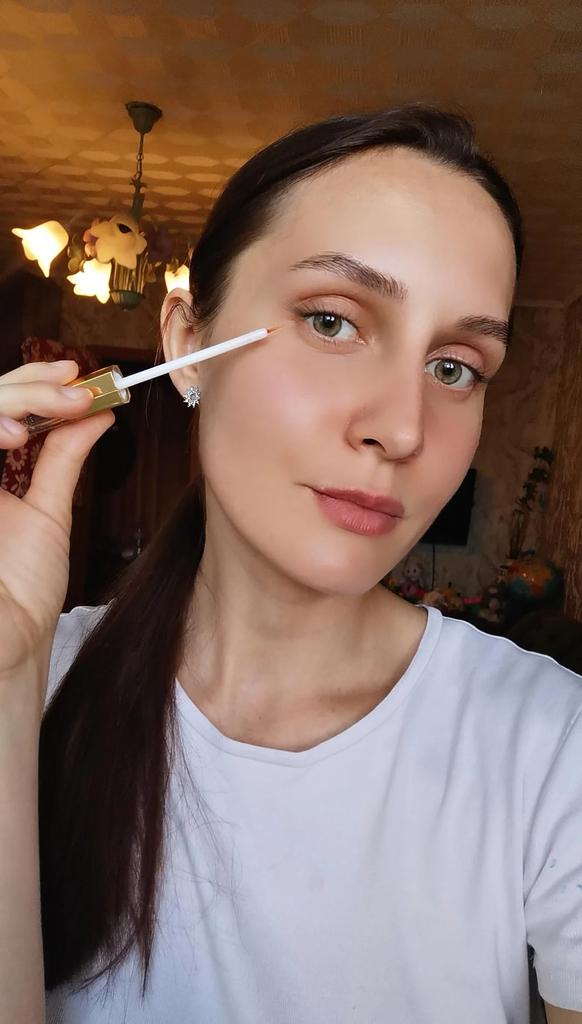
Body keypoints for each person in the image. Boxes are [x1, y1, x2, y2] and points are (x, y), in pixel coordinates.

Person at [0, 105, 580, 1024]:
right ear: (188, 345)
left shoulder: (551, 746)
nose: (402, 428)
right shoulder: (34, 684)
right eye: (332, 321)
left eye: (455, 367)